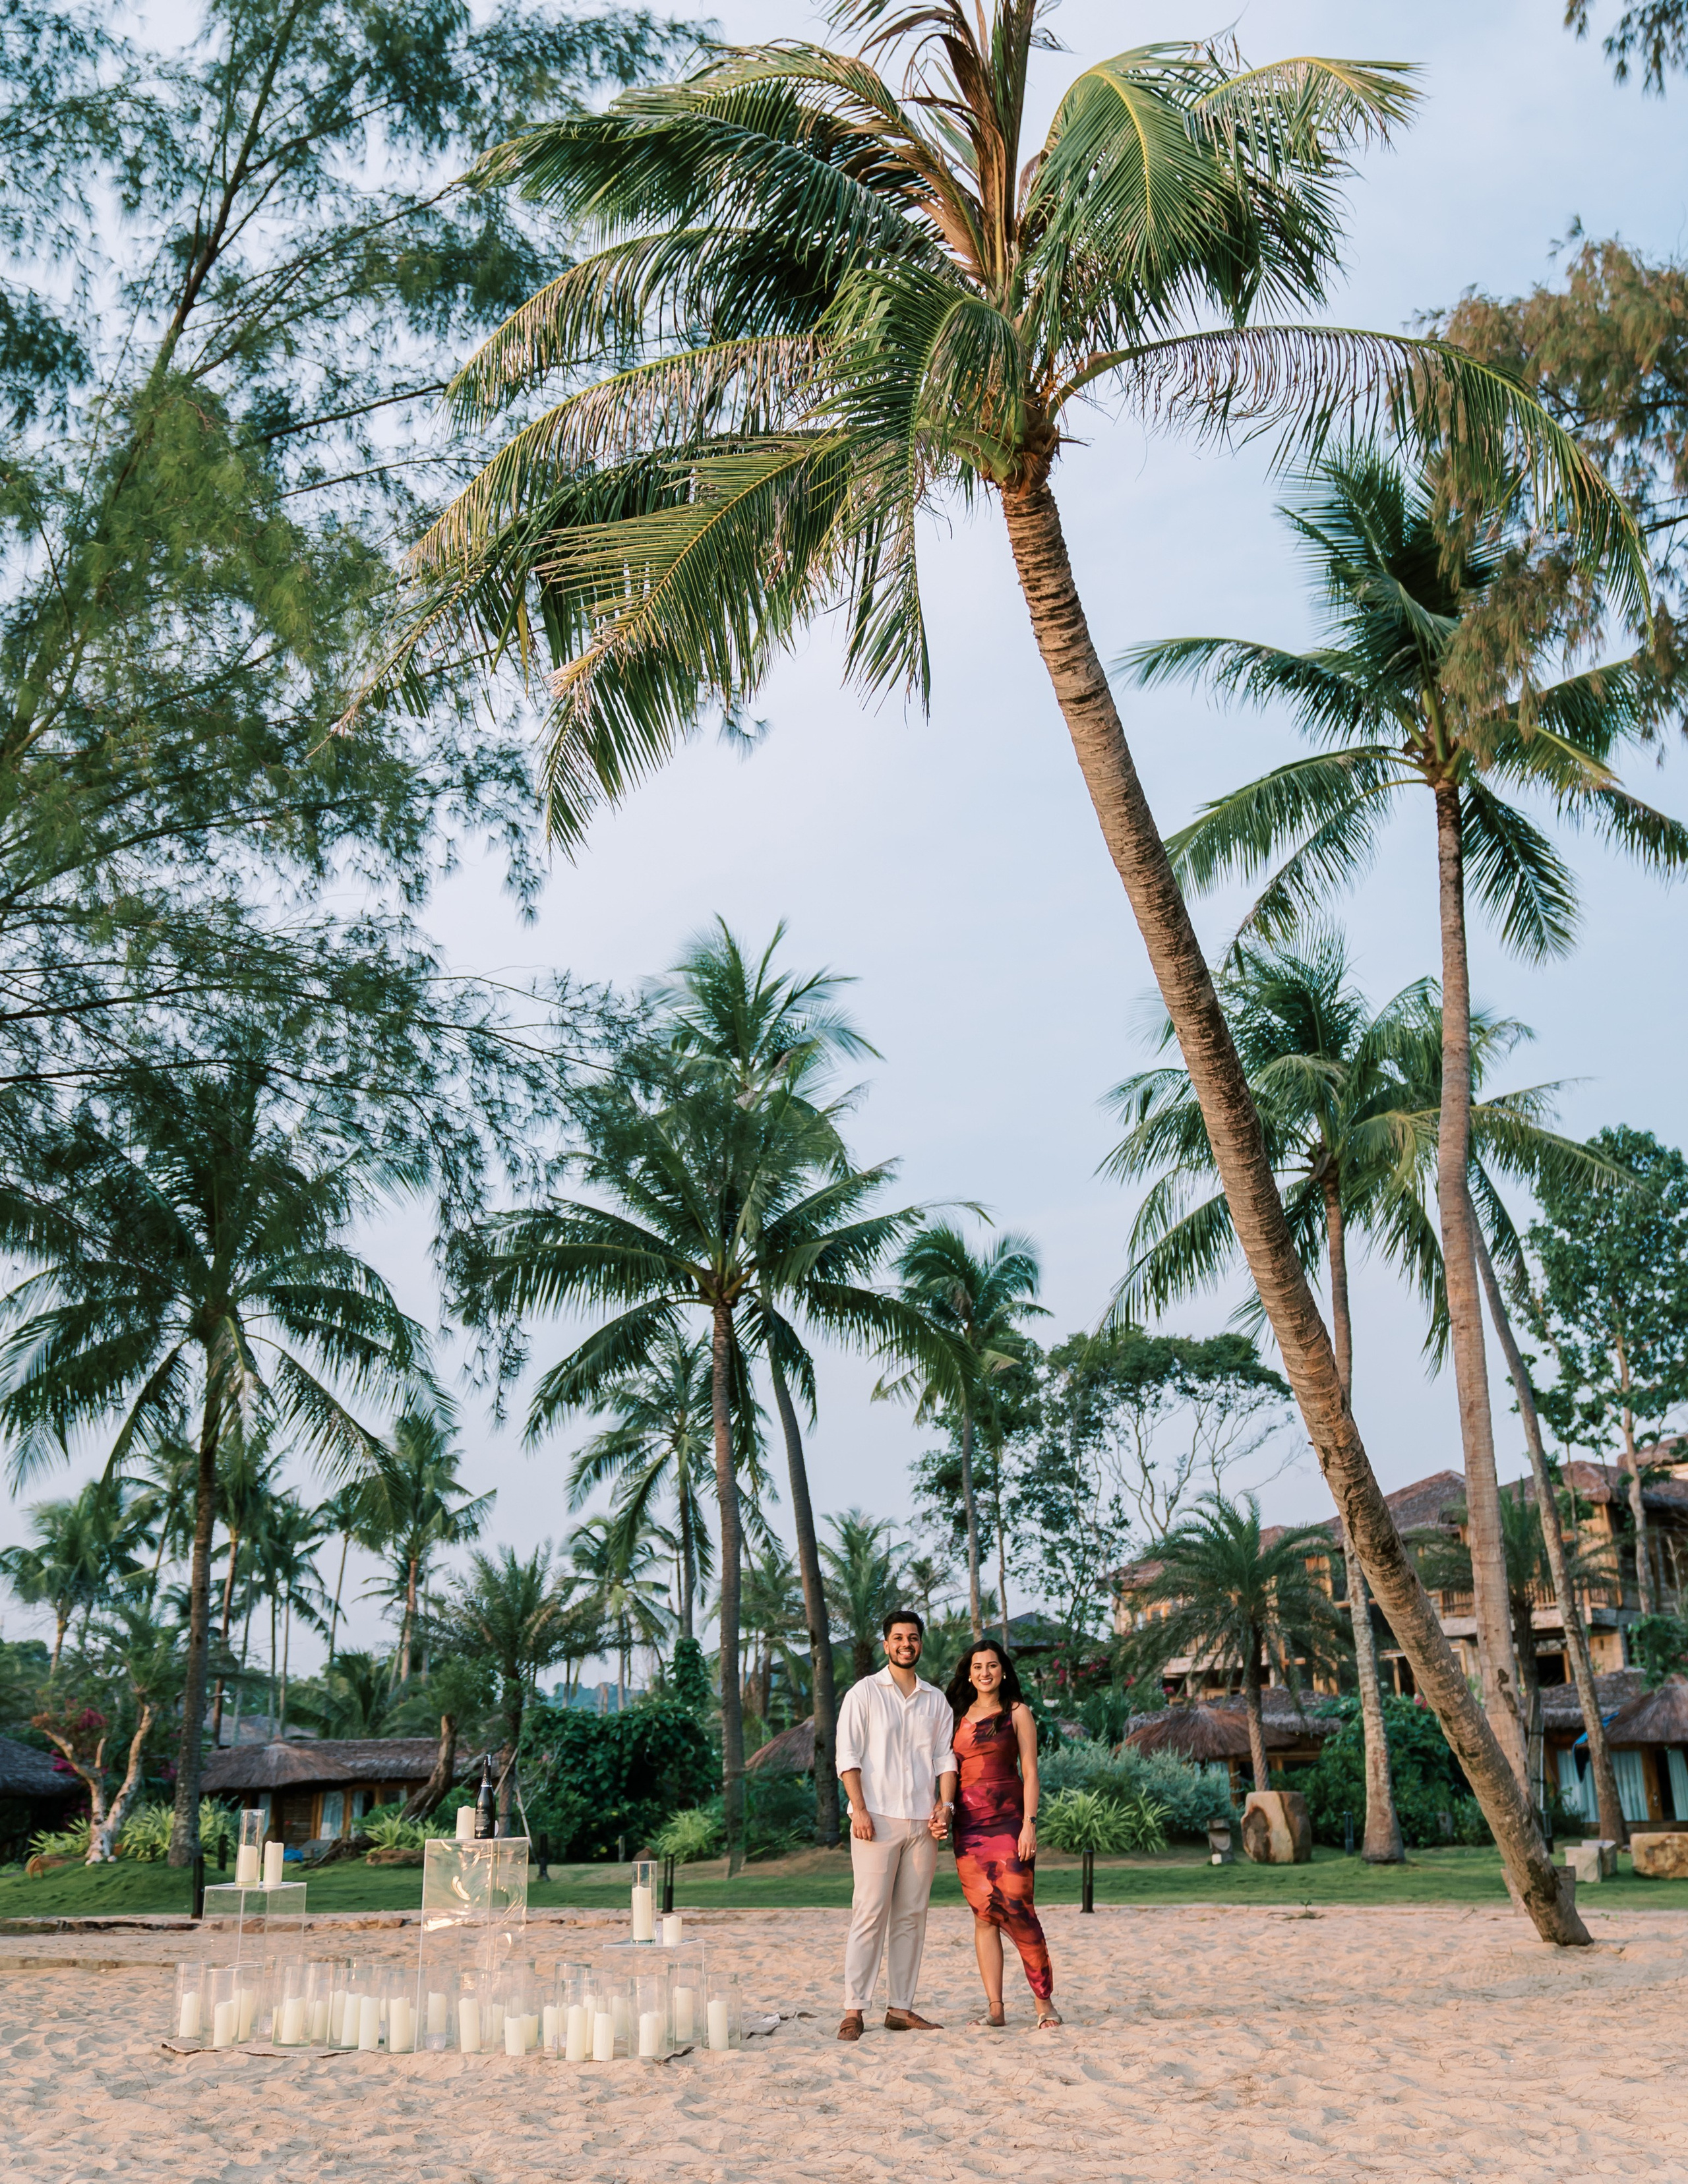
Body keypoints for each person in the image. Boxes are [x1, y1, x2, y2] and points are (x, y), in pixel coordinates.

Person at [833, 1608, 957, 2041]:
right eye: (898, 1637)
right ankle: (854, 2009)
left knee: (911, 1916)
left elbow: (945, 1758)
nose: (907, 1644)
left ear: (921, 1643)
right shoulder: (864, 1693)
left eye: (914, 1637)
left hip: (923, 1824)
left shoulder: (936, 1701)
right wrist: (859, 1809)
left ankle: (901, 2008)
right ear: (886, 1643)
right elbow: (847, 1755)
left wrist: (946, 1807)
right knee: (869, 1912)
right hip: (876, 1820)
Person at [946, 1638, 1060, 2028]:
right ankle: (996, 2008)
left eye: (992, 1665)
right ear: (969, 1673)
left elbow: (1031, 1771)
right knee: (983, 1917)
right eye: (978, 1667)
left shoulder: (1017, 1713)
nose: (985, 1673)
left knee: (1020, 1910)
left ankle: (1044, 2003)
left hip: (1011, 1823)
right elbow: (945, 1769)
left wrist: (1030, 1824)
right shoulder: (955, 1716)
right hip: (968, 1829)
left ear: (1004, 1670)